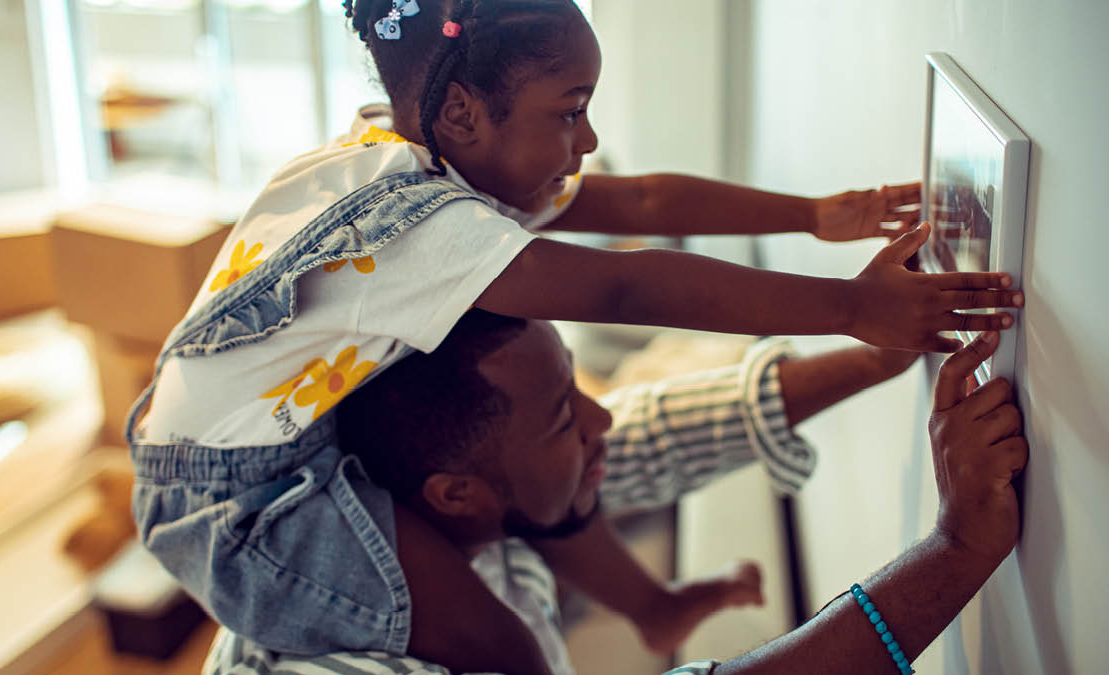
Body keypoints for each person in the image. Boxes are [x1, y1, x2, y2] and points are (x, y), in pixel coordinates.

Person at [127, 1, 1024, 673]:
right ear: (465, 112)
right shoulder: (419, 229)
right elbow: (627, 279)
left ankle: (654, 606)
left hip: (258, 438)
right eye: (570, 110)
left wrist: (817, 215)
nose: (589, 138)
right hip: (235, 503)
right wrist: (849, 306)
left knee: (536, 478)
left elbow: (642, 206)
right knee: (497, 641)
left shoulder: (425, 155)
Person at [202, 312, 1026, 674]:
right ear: (456, 494)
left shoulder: (435, 497)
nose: (604, 417)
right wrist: (957, 548)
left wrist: (874, 357)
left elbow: (648, 435)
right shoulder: (338, 656)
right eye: (566, 416)